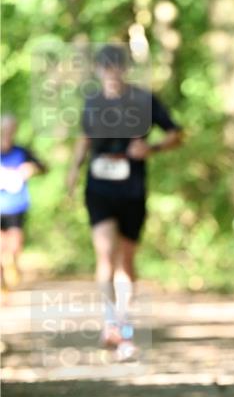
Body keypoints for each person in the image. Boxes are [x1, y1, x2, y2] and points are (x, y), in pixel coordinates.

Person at [67, 44, 183, 360]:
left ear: (124, 69)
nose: (111, 72)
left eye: (116, 66)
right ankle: (111, 323)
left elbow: (176, 133)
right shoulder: (92, 103)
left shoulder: (143, 101)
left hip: (132, 187)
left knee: (126, 261)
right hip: (99, 187)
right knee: (105, 254)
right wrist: (73, 173)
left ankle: (124, 320)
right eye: (105, 67)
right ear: (98, 71)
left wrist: (152, 149)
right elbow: (84, 139)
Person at [0, 113, 47, 288]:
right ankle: (2, 285)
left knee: (14, 246)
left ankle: (11, 265)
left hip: (16, 206)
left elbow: (43, 167)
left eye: (11, 130)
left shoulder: (22, 151)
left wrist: (32, 168)